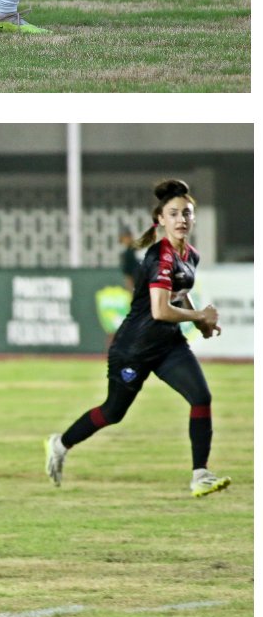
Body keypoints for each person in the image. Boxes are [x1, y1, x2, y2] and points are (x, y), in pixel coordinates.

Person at [45, 179, 231, 498]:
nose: (181, 219)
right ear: (160, 220)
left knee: (201, 398)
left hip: (168, 345)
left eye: (186, 213)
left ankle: (200, 474)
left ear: (194, 218)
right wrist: (200, 317)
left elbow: (178, 296)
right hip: (134, 349)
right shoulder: (161, 256)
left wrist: (198, 319)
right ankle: (59, 444)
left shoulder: (191, 255)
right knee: (113, 412)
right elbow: (159, 311)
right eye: (173, 214)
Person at [119, 227, 140, 294]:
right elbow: (127, 274)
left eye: (127, 237)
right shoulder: (126, 253)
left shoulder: (137, 250)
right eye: (124, 238)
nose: (126, 240)